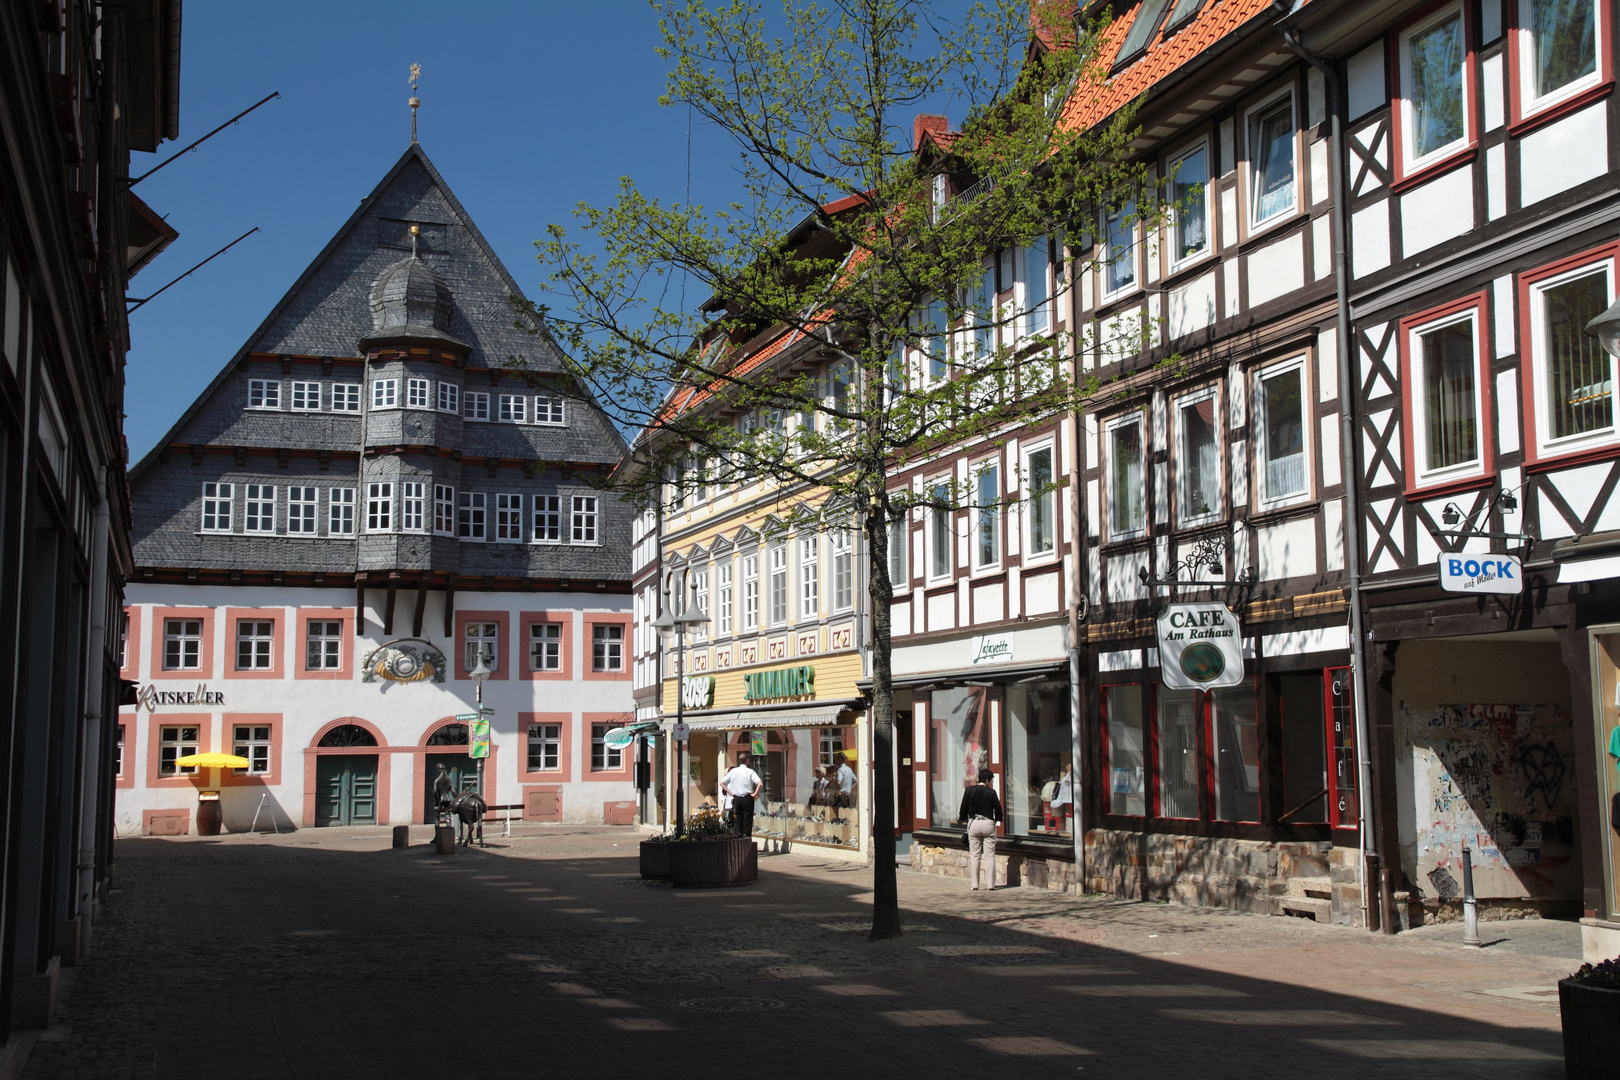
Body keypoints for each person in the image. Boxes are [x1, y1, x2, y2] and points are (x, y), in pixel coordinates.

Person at [957, 768, 1003, 890]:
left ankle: (975, 885)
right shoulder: (991, 793)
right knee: (989, 856)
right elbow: (998, 809)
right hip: (988, 823)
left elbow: (963, 808)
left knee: (975, 855)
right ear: (987, 780)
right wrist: (996, 819)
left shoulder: (969, 790)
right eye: (991, 780)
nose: (991, 783)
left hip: (974, 822)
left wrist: (963, 819)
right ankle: (990, 885)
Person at [720, 751, 764, 837]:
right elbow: (760, 784)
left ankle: (739, 840)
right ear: (747, 760)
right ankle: (747, 840)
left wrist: (731, 793)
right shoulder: (750, 771)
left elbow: (722, 783)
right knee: (747, 821)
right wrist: (755, 794)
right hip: (747, 798)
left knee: (738, 821)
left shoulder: (733, 771)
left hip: (737, 798)